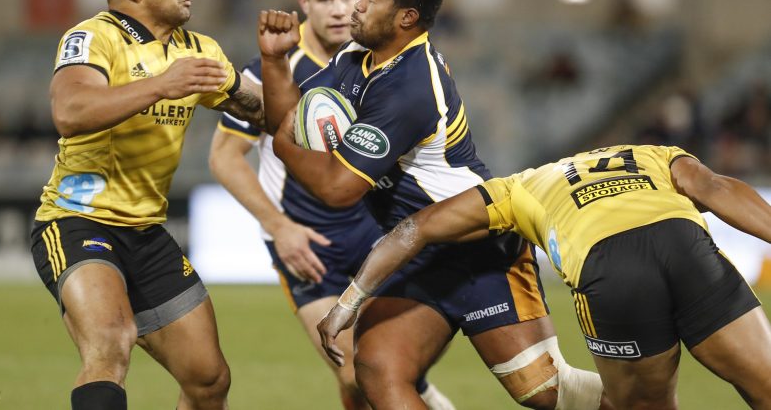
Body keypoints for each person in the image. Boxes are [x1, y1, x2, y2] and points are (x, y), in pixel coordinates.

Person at [257, 0, 608, 410]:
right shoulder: (357, 57)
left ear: (405, 17)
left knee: (544, 392)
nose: (356, 6)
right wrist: (274, 62)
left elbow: (336, 189)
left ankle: (645, 403)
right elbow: (290, 117)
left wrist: (286, 147)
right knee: (378, 368)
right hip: (416, 250)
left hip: (480, 249)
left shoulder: (410, 86)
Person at [319, 144, 771, 409]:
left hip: (608, 267)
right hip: (686, 246)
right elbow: (713, 187)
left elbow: (414, 229)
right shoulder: (651, 154)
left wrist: (348, 302)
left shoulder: (517, 188)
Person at [209, 0, 454, 410]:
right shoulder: (274, 66)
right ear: (304, 2)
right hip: (309, 245)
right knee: (352, 366)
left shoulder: (376, 60)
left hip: (371, 231)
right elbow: (223, 158)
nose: (340, 8)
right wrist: (280, 228)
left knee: (380, 367)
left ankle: (419, 393)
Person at [30, 0, 264, 410]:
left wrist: (275, 67)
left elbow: (268, 115)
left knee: (208, 379)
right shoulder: (95, 36)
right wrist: (161, 85)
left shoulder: (199, 50)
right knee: (111, 342)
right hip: (77, 220)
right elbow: (70, 110)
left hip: (146, 233)